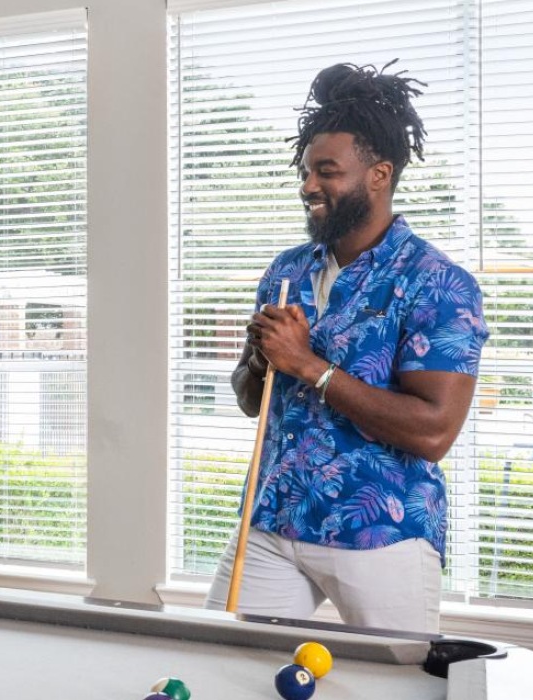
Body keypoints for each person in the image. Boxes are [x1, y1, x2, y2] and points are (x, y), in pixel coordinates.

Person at [207, 62, 488, 633]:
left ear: (378, 175)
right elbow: (248, 397)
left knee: (398, 684)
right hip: (272, 520)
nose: (309, 185)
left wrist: (307, 365)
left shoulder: (438, 282)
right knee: (217, 660)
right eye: (307, 171)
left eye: (326, 172)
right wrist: (265, 358)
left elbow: (433, 432)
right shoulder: (286, 271)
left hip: (379, 530)